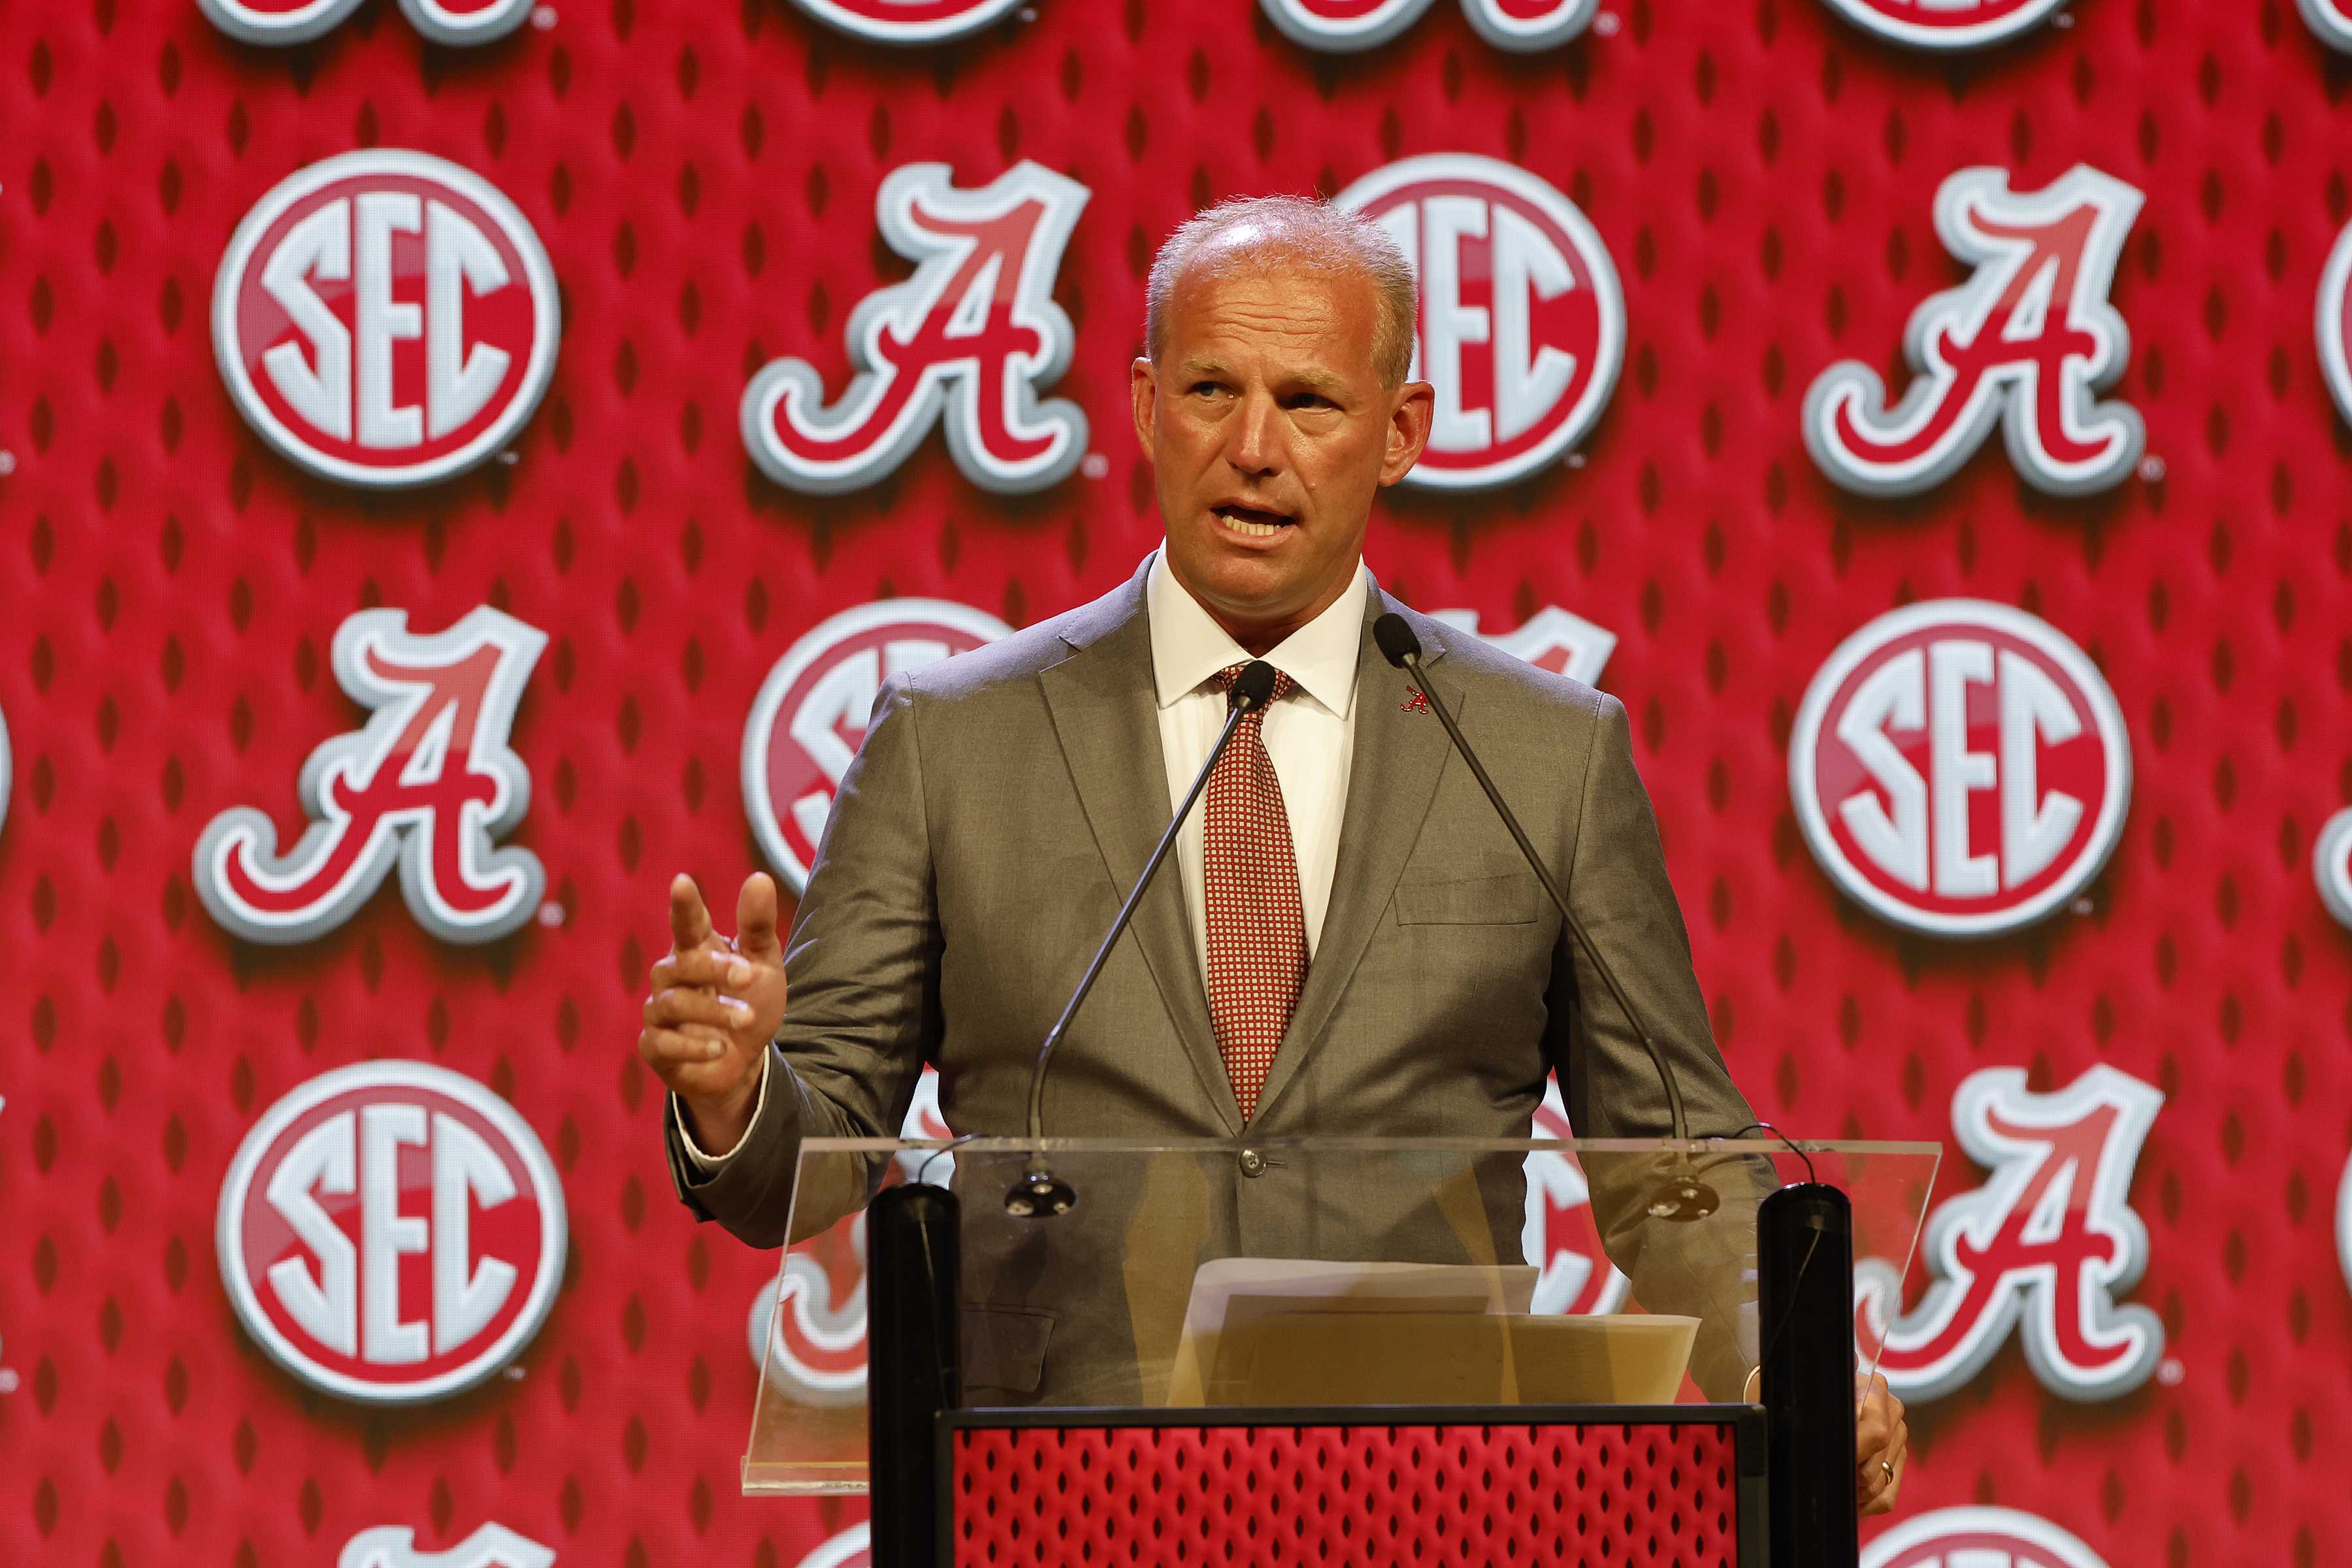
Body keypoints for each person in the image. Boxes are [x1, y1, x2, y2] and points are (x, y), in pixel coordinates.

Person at [638, 195, 1908, 1512]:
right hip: (1060, 1504)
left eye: (1308, 402)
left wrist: (1794, 1356)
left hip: (1443, 1501)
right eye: (1208, 389)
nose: (1253, 449)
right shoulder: (953, 742)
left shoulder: (1545, 758)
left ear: (1399, 433)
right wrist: (738, 1097)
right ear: (1142, 406)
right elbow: (812, 1152)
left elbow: (1674, 1165)